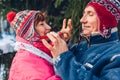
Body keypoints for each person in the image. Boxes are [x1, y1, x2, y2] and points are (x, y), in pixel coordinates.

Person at [42, 0, 120, 80]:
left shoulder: (116, 55)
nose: (82, 20)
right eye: (84, 14)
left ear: (106, 19)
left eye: (90, 14)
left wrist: (63, 58)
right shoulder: (79, 47)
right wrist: (60, 44)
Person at [6, 10, 72, 80]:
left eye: (45, 23)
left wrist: (60, 41)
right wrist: (63, 60)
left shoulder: (33, 52)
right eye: (41, 24)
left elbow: (44, 52)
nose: (49, 27)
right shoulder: (26, 62)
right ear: (30, 33)